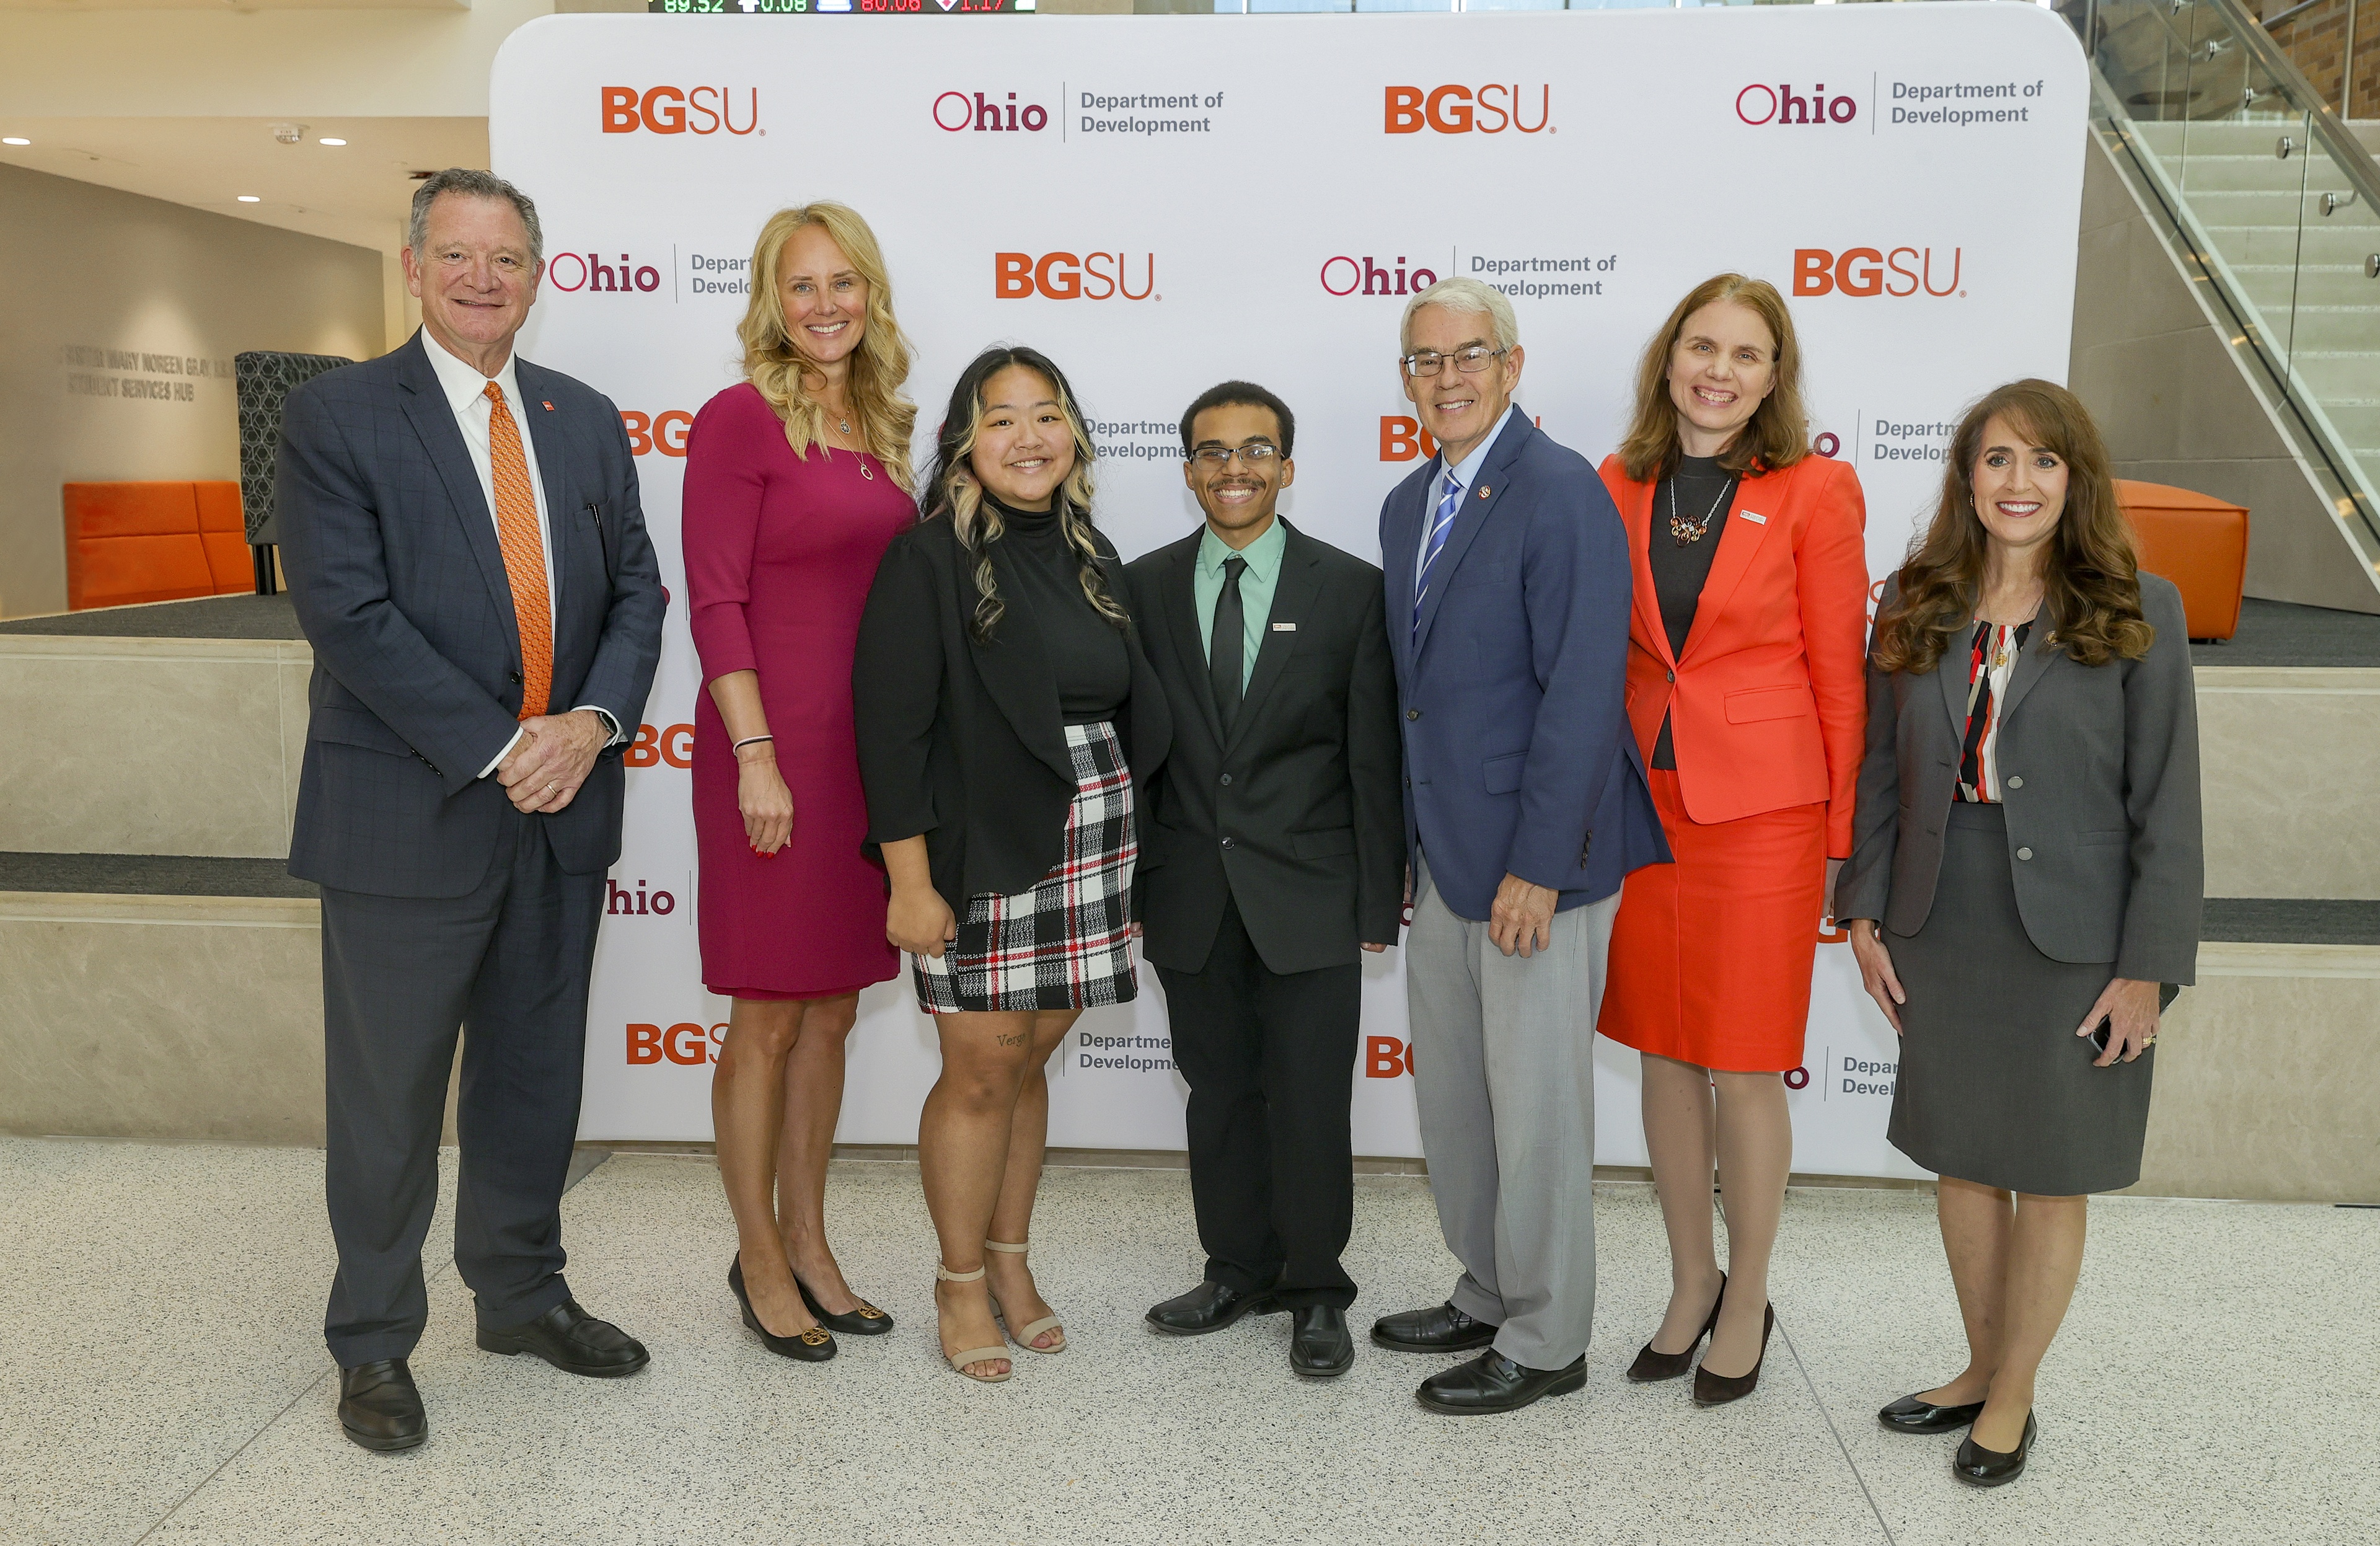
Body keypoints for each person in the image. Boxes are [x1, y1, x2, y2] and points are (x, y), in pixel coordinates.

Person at [276, 169, 666, 1452]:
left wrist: (592, 727)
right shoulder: (341, 414)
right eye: (458, 253)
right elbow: (347, 611)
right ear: (413, 265)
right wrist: (509, 745)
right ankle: (375, 1341)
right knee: (388, 1100)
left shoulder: (583, 416)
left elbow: (636, 597)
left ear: (536, 273)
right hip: (410, 813)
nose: (483, 277)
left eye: (507, 257)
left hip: (562, 810)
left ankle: (520, 1292)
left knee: (532, 1079)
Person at [1836, 379, 2200, 1487]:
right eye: (1997, 459)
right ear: (1967, 477)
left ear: (2076, 479)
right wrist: (1863, 908)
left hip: (2079, 938)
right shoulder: (1916, 597)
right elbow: (1884, 771)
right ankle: (1980, 1362)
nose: (2019, 482)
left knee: (2048, 1169)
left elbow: (2169, 800)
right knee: (1962, 1158)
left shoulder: (2140, 602)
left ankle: (2016, 1392)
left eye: (2044, 462)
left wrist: (2147, 968)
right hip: (1943, 915)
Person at [1370, 276, 1668, 1414]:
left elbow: (1585, 695)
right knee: (1457, 1100)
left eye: (1469, 355)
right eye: (1424, 359)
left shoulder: (1562, 493)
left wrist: (1540, 865)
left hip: (1537, 867)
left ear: (1513, 364)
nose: (1446, 376)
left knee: (1538, 1108)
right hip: (1447, 860)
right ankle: (1489, 1285)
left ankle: (1548, 1340)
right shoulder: (1409, 504)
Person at [853, 346, 1171, 1382]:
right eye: (1002, 419)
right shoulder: (928, 557)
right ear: (965, 440)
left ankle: (1011, 1261)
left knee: (1031, 1059)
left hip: (1092, 830)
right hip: (980, 840)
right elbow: (890, 733)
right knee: (982, 1068)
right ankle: (956, 1281)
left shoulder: (1093, 548)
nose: (1028, 437)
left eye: (1047, 416)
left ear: (1072, 434)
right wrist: (910, 881)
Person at [1593, 275, 1869, 1405]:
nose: (1719, 369)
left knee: (1747, 1064)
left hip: (1766, 815)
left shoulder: (1816, 488)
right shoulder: (1614, 482)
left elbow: (1838, 676)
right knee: (1663, 1051)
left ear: (1773, 378)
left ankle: (1748, 1294)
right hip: (1641, 804)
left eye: (1747, 354)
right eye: (1701, 346)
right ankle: (1690, 1280)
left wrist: (1843, 837)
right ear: (1669, 361)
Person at [1124, 381, 1404, 1379]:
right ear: (1188, 467)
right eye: (1211, 452)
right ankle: (1236, 1265)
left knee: (1312, 1095)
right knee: (1220, 1091)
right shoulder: (1142, 585)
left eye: (1255, 451)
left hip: (1313, 892)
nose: (1233, 469)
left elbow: (1373, 757)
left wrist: (1381, 898)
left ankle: (1317, 1286)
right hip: (1190, 891)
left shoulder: (1352, 589)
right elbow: (1137, 755)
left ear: (1287, 468)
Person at [682, 203, 915, 1362]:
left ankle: (812, 1241)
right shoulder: (739, 420)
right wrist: (756, 754)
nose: (825, 305)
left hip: (862, 764)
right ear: (774, 302)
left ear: (871, 296)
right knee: (766, 1014)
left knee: (831, 1007)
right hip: (768, 754)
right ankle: (759, 1256)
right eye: (802, 285)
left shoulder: (878, 425)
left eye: (844, 283)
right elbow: (715, 597)